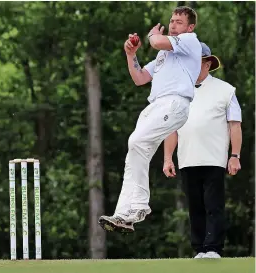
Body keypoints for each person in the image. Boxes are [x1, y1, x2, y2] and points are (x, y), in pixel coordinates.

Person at [98, 6, 202, 233]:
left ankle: (140, 206)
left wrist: (152, 35)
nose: (173, 24)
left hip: (174, 103)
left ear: (190, 27)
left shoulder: (190, 41)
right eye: (172, 20)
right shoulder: (164, 55)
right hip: (155, 106)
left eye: (179, 22)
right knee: (135, 152)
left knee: (136, 143)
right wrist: (131, 54)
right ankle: (123, 214)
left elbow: (156, 41)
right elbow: (140, 77)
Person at [162, 42, 242, 259]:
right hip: (188, 158)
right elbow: (172, 129)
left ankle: (213, 248)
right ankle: (200, 249)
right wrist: (168, 158)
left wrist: (235, 156)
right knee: (195, 206)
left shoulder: (226, 90)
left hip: (214, 158)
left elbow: (235, 125)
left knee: (213, 205)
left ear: (207, 64)